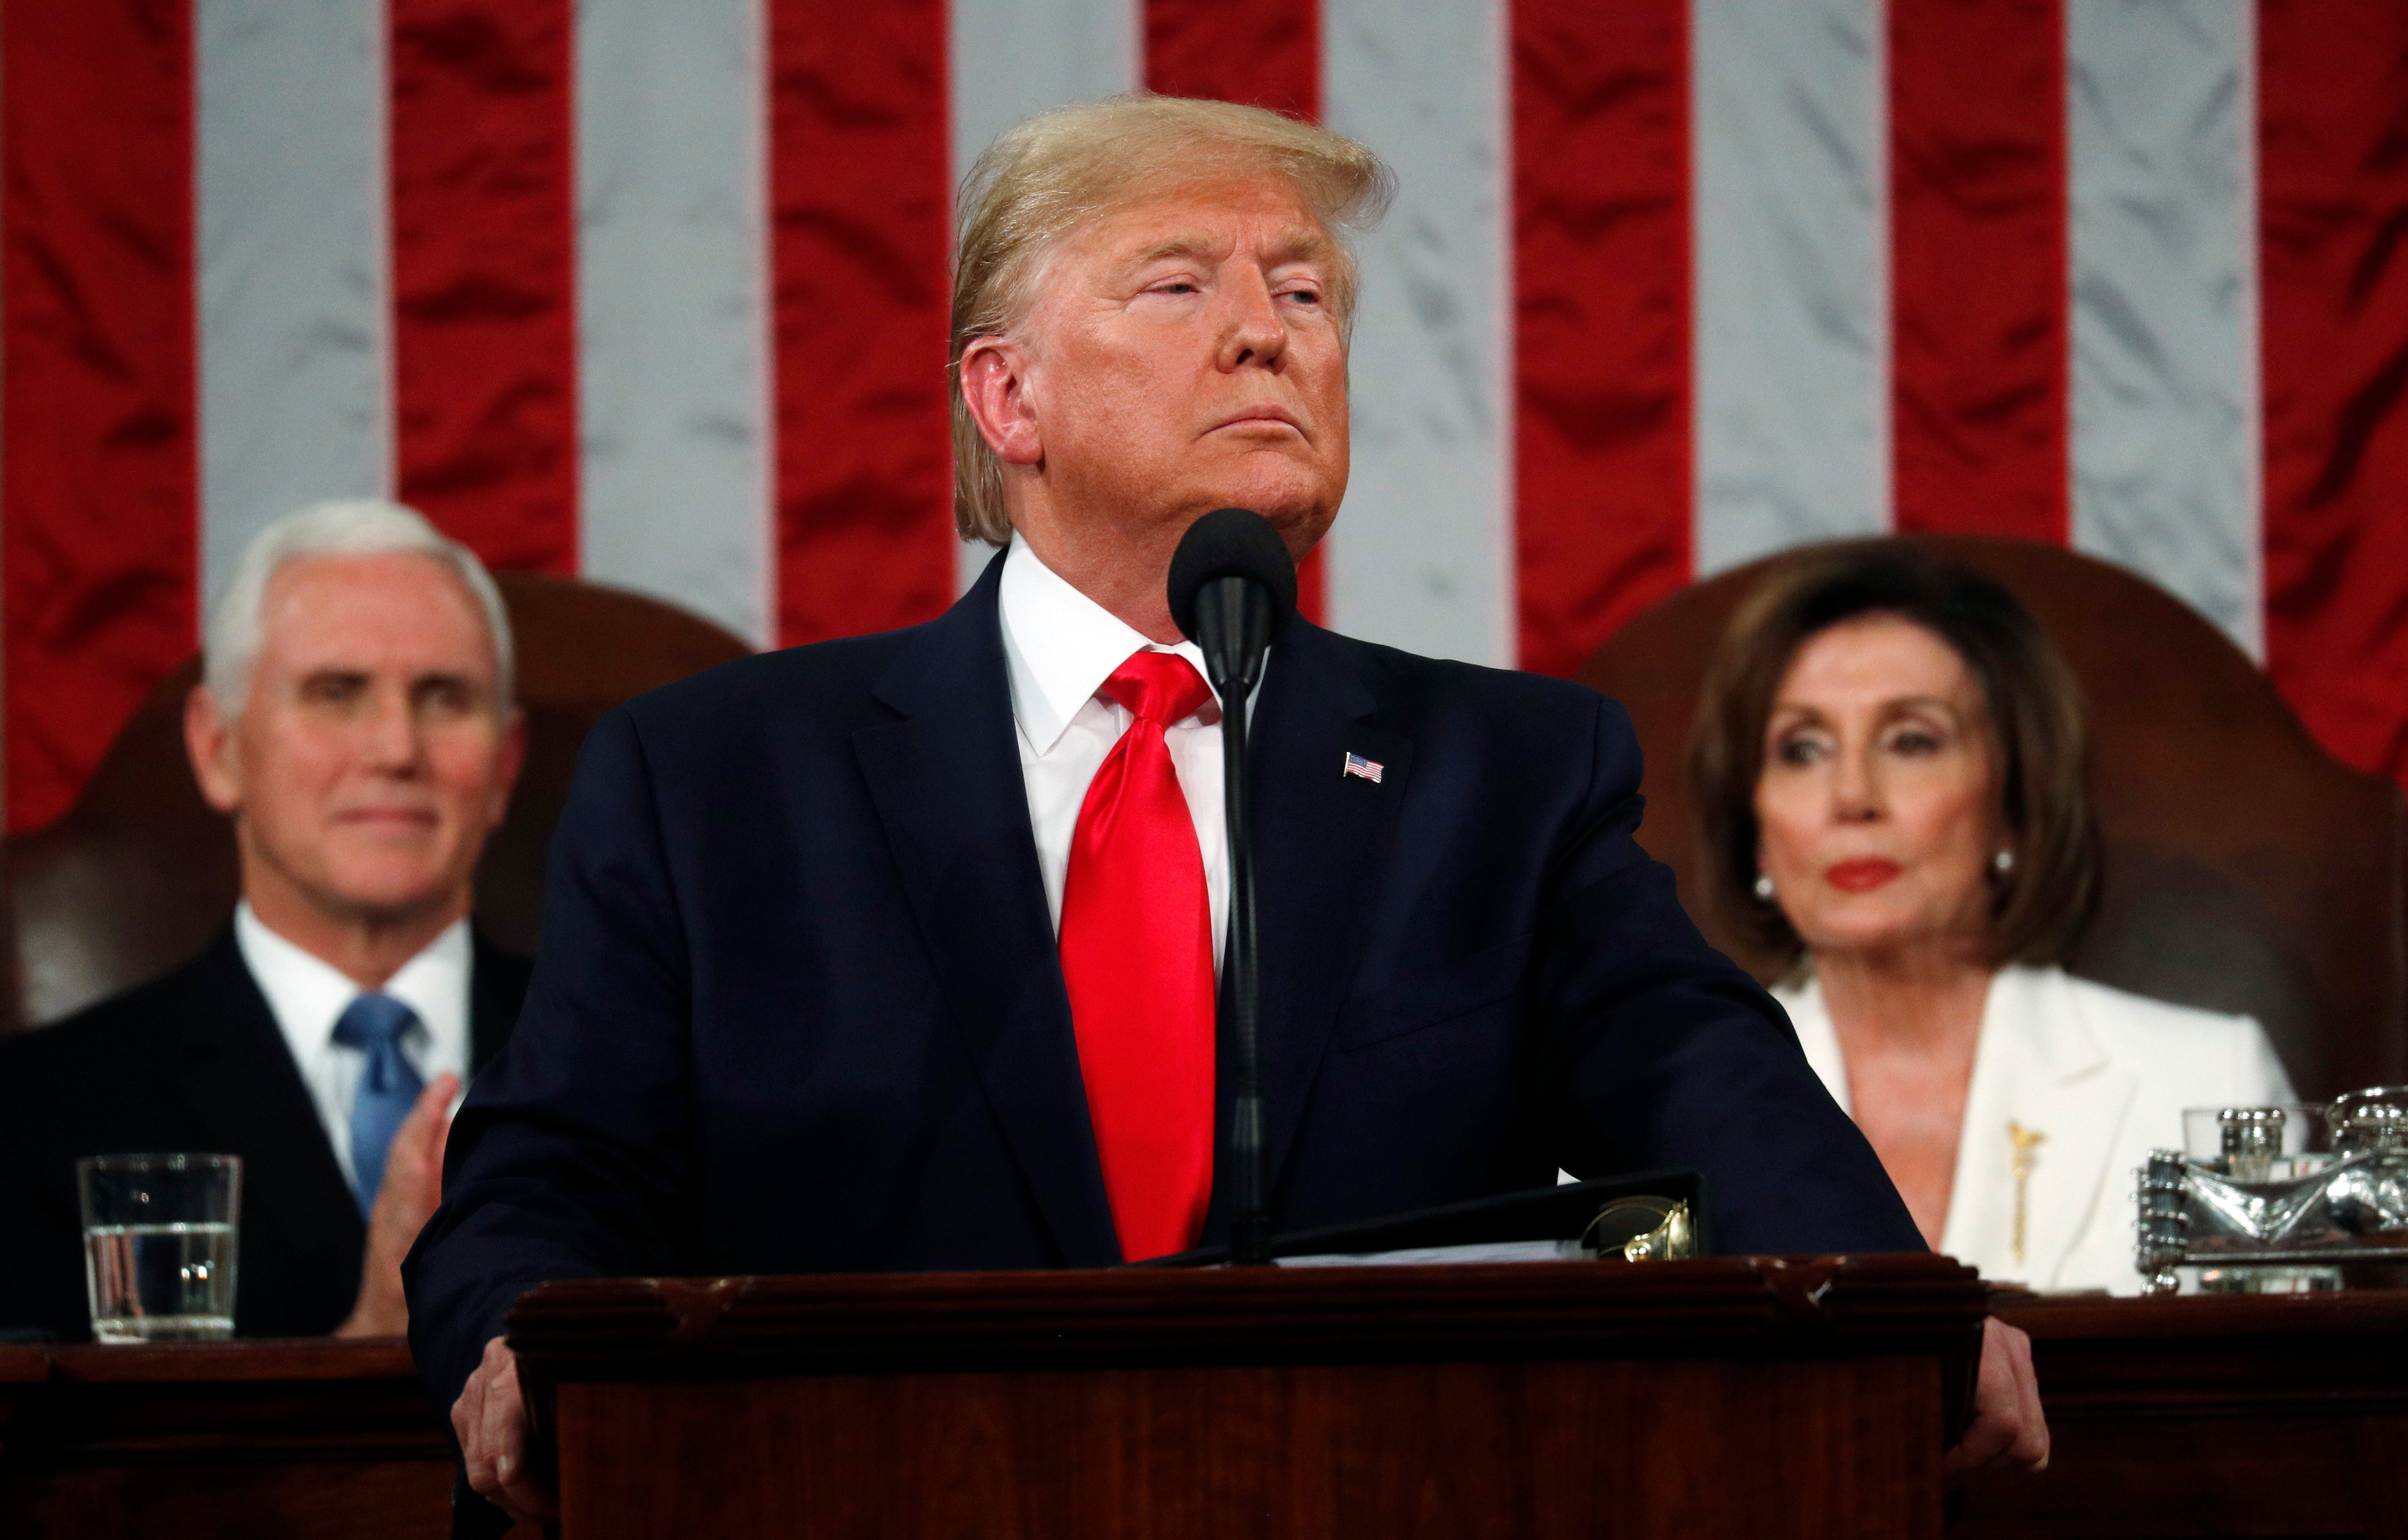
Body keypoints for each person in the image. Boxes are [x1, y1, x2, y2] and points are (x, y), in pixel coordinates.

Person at [409, 97, 2045, 1525]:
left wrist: (1889, 1311)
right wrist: (506, 1347)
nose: (1270, 332)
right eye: (1178, 283)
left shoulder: (1499, 777)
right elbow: (552, 1173)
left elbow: (1710, 1094)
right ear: (1007, 401)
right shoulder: (716, 782)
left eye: (1305, 292)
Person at [1689, 540, 2295, 1294]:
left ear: (2012, 805)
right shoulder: (1655, 1113)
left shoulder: (2205, 1083)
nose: (1852, 795)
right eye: (1802, 749)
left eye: (1912, 740)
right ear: (1754, 828)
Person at [0, 500, 532, 1342]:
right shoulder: (28, 1120)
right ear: (219, 750)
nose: (396, 748)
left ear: (505, 766)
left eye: (443, 697)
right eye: (335, 692)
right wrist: (373, 1347)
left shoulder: (640, 1061)